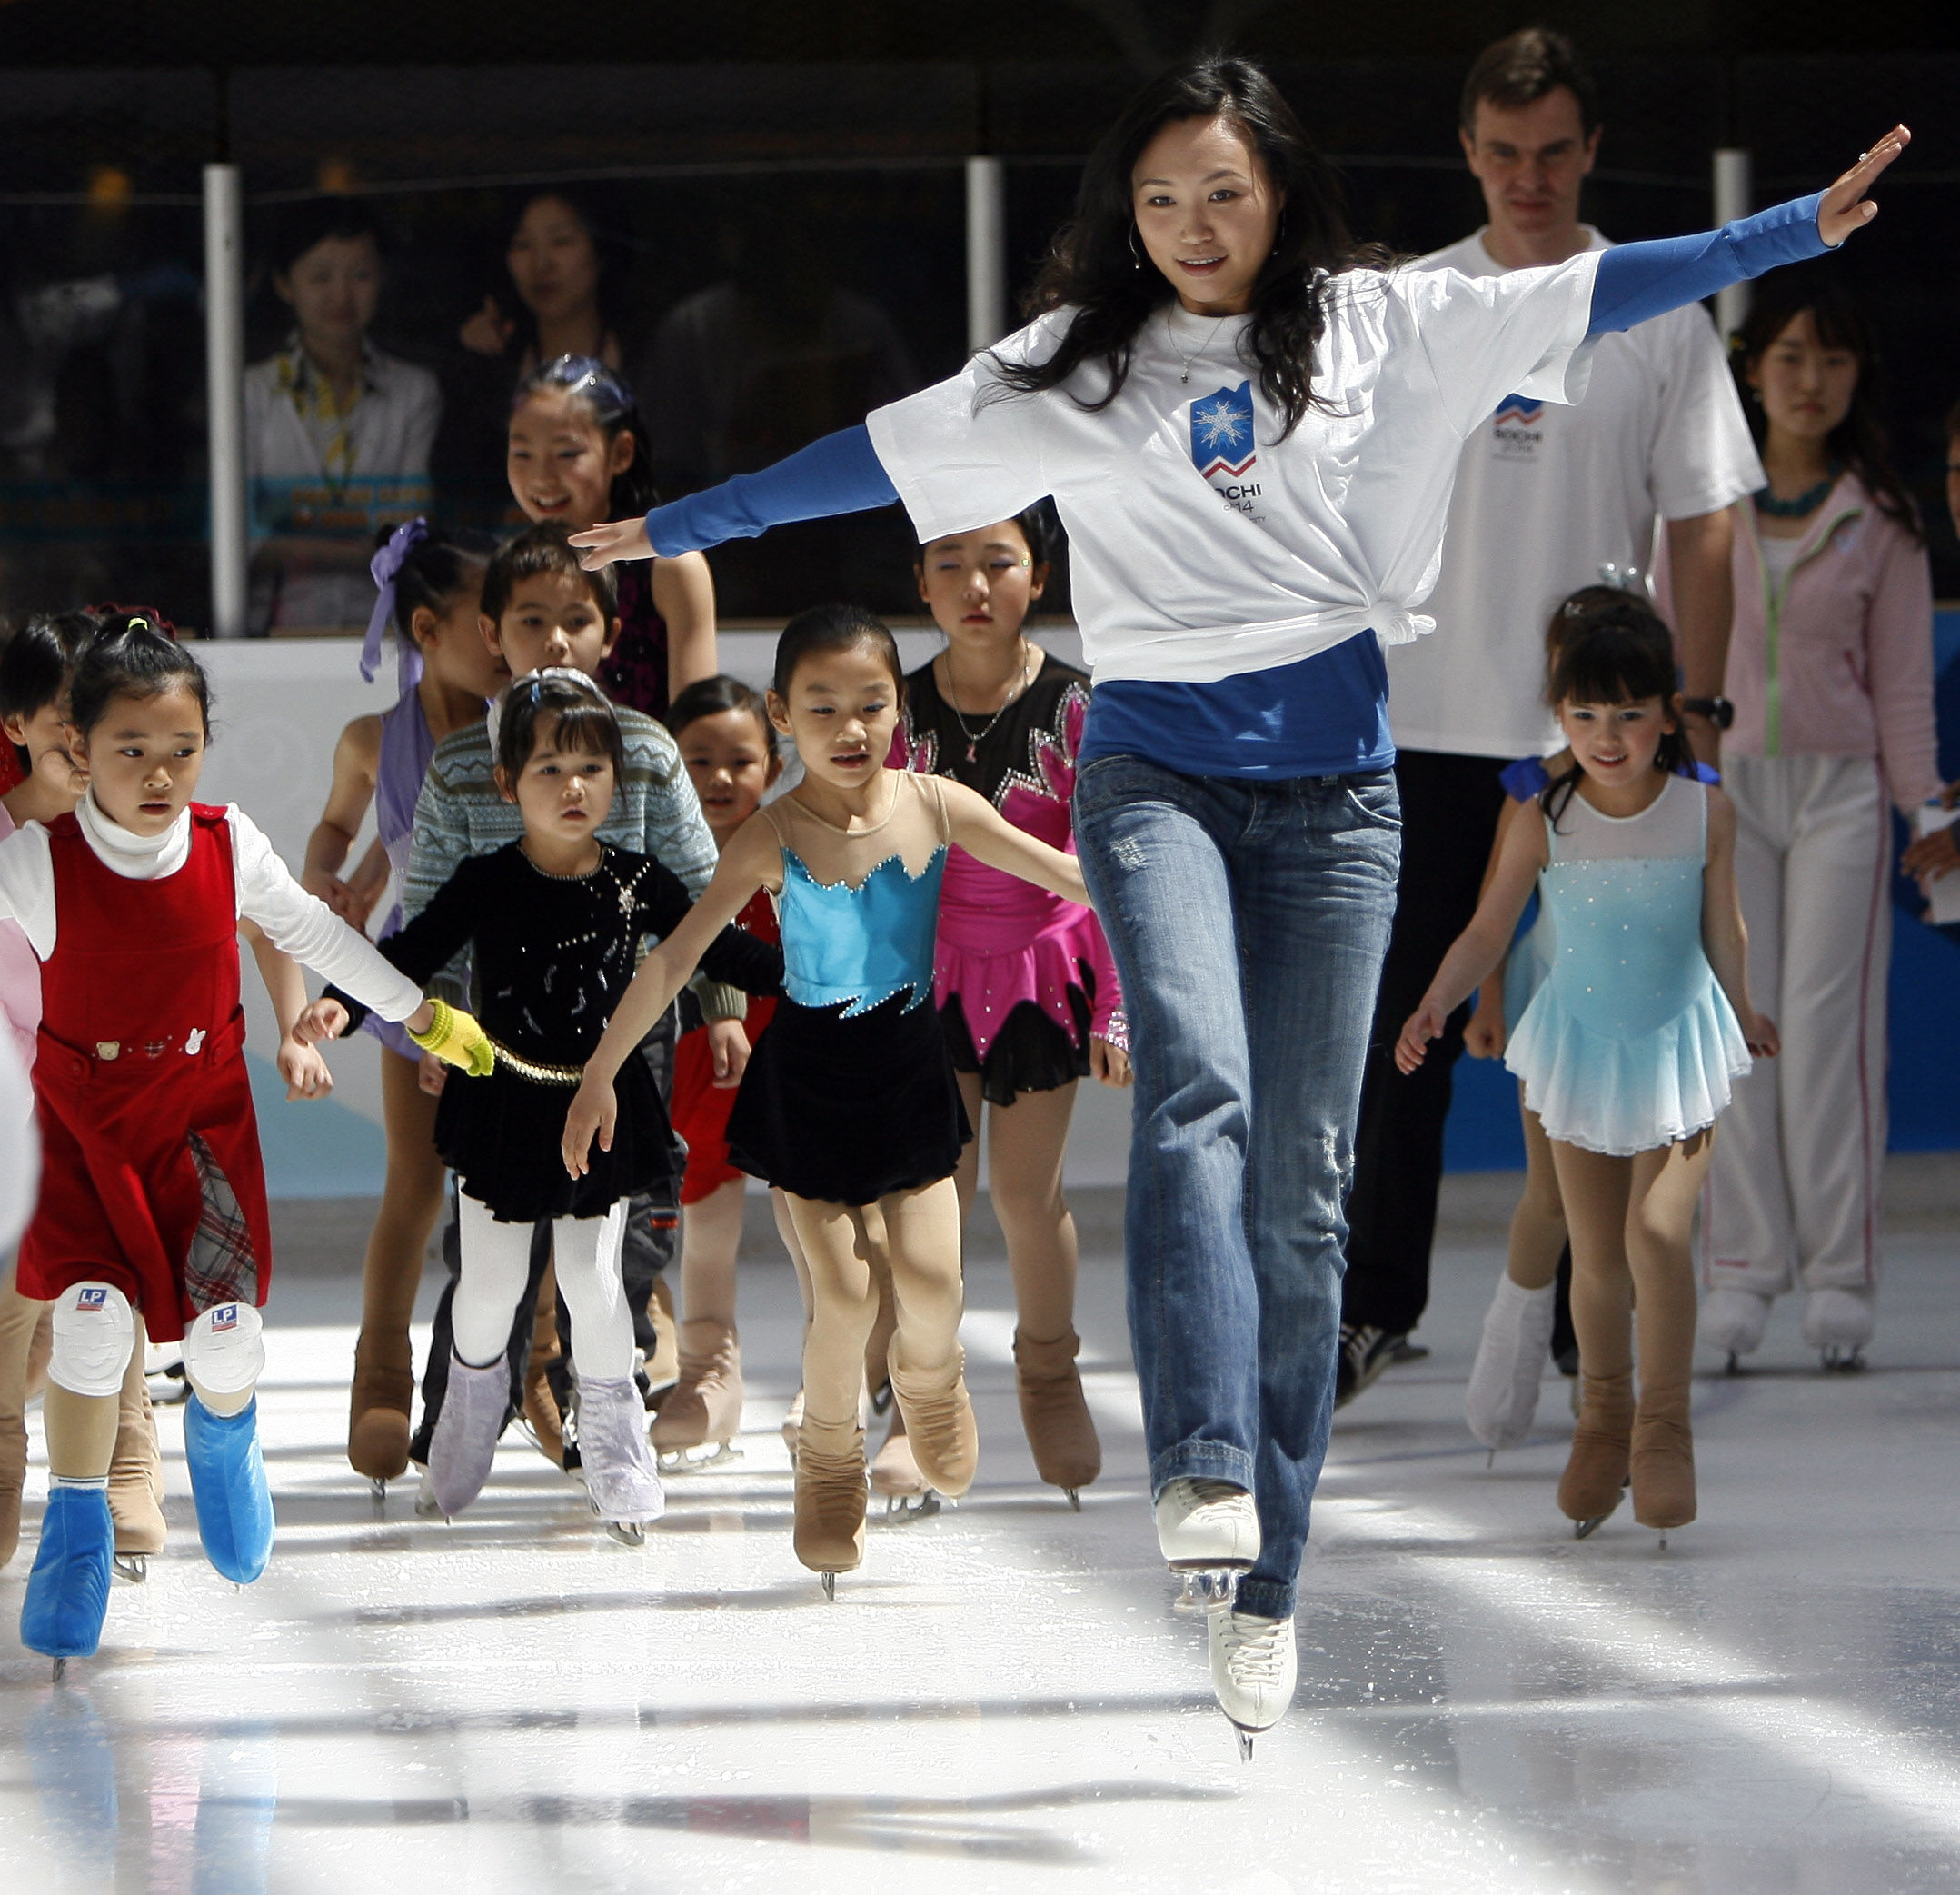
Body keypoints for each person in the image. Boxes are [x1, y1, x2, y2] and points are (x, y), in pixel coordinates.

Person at [568, 52, 1905, 1746]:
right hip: (1154, 775)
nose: (1193, 226)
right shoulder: (1071, 365)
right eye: (1159, 199)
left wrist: (1785, 231)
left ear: (1275, 197)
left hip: (1338, 787)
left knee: (1309, 1185)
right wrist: (680, 521)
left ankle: (1263, 1580)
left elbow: (1607, 288)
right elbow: (868, 461)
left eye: (1222, 192)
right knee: (1194, 1088)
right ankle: (1198, 1474)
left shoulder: (1374, 325)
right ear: (1124, 216)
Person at [1340, 28, 1766, 1406]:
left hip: (1603, 749)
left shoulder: (1655, 308)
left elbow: (1704, 523)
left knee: (1615, 1025)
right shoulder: (1405, 308)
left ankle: (1598, 1318)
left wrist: (1688, 706)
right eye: (1503, 152)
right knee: (1404, 1028)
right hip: (1419, 727)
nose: (1528, 177)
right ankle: (1375, 1305)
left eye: (1554, 152)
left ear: (1587, 156)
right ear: (1468, 153)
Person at [562, 607, 1093, 1595]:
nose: (850, 728)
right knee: (845, 1297)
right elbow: (679, 953)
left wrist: (1167, 889)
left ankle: (932, 1387)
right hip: (808, 1091)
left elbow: (1068, 875)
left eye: (872, 704)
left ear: (901, 709)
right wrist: (600, 1071)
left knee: (932, 1284)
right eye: (822, 708)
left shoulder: (938, 803)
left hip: (908, 1081)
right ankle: (832, 1454)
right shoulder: (772, 833)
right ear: (780, 717)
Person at [0, 621, 485, 1667]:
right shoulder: (36, 863)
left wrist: (424, 1014)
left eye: (180, 748)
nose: (159, 772)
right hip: (80, 1123)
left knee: (223, 1335)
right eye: (130, 748)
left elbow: (317, 934)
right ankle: (74, 1538)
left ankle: (223, 1445)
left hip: (197, 1117)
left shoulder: (228, 845)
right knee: (87, 1327)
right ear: (79, 752)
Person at [307, 672, 780, 1537]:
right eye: (550, 768)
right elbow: (413, 949)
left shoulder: (640, 881)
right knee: (489, 1289)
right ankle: (465, 1420)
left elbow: (717, 947)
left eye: (592, 768)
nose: (574, 787)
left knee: (595, 1283)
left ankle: (614, 1446)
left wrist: (816, 978)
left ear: (618, 780)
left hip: (600, 1108)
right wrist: (344, 1000)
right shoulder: (488, 880)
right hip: (503, 1107)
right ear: (505, 783)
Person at [1398, 607, 1776, 1543]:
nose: (1609, 739)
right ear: (1559, 716)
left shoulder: (1704, 809)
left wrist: (1745, 1002)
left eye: (1631, 716)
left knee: (1657, 1230)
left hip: (1678, 1041)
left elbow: (1723, 925)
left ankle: (1664, 1426)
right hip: (1575, 1044)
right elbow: (1492, 926)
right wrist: (1438, 1001)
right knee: (1598, 1252)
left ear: (1667, 715)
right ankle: (1603, 1423)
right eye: (1586, 717)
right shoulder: (1542, 812)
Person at [401, 523, 745, 1490]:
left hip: (624, 1036)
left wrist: (720, 1000)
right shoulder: (468, 766)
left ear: (608, 630)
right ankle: (467, 1406)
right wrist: (433, 1013)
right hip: (497, 1048)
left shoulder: (642, 749)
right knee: (489, 1258)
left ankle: (612, 1427)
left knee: (613, 1252)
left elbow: (696, 885)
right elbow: (434, 907)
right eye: (532, 620)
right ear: (490, 631)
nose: (555, 638)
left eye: (577, 619)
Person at [1679, 276, 1937, 1371]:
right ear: (1750, 369)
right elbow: (1664, 652)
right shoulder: (1698, 506)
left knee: (1831, 1038)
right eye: (1790, 357)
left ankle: (1839, 1276)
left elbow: (1903, 688)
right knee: (1738, 1031)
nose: (1809, 380)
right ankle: (1741, 1274)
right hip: (1726, 791)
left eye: (1831, 360)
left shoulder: (1881, 521)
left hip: (1839, 794)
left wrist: (1922, 808)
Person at [878, 507, 1130, 1511]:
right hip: (926, 972)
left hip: (1039, 971)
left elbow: (1107, 864)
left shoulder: (1081, 709)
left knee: (1027, 1197)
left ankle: (1048, 1370)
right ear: (922, 582)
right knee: (930, 1195)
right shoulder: (889, 707)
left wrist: (1116, 1005)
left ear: (1040, 576)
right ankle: (920, 1402)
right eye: (953, 564)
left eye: (999, 563)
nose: (976, 585)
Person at [1458, 587, 1721, 1452]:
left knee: (1636, 1225)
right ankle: (1510, 1378)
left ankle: (1622, 1409)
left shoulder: (1689, 797)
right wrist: (1487, 1001)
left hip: (1653, 1016)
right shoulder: (1536, 793)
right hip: (1557, 1010)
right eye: (1581, 691)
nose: (1604, 721)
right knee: (1554, 1201)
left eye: (1625, 698)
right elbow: (1498, 909)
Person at [299, 522, 503, 1486]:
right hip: (415, 985)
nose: (510, 636)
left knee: (528, 1195)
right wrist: (328, 879)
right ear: (428, 627)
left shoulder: (531, 725)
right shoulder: (375, 738)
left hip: (522, 984)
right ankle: (379, 1378)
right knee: (417, 1186)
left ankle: (534, 1372)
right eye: (490, 619)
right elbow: (348, 823)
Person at [655, 674, 806, 1470]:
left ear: (774, 763)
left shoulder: (800, 845)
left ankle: (830, 1384)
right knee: (706, 1232)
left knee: (814, 1229)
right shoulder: (659, 858)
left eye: (738, 759)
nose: (718, 775)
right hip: (696, 1068)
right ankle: (709, 1378)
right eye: (698, 758)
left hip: (794, 1065)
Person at [244, 199, 441, 633]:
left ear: (382, 279)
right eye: (320, 276)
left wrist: (296, 530)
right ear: (283, 283)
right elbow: (243, 542)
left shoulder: (414, 392)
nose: (341, 295)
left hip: (386, 633)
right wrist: (370, 541)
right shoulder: (251, 392)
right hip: (275, 635)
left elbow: (410, 537)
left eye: (361, 275)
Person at [506, 356, 716, 720]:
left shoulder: (670, 567)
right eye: (522, 453)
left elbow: (698, 733)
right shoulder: (510, 569)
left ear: (620, 453)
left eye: (566, 453)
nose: (541, 477)